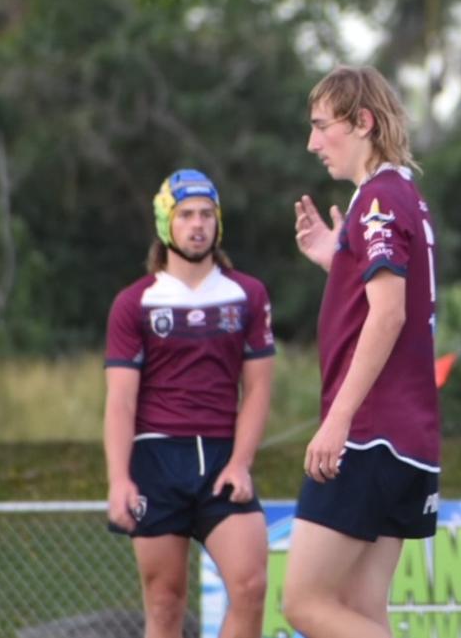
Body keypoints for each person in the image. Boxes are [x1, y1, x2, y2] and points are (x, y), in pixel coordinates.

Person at [284, 65, 440, 638]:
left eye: (322, 126)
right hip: (408, 436)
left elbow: (389, 314)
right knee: (361, 612)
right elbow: (387, 295)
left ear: (363, 122)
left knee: (305, 605)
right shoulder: (400, 198)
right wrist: (339, 258)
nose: (312, 142)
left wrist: (339, 420)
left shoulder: (376, 202)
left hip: (369, 435)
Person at [103, 169, 275, 638]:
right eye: (185, 216)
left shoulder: (248, 295)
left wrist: (241, 462)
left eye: (206, 215)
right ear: (166, 224)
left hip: (222, 456)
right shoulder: (133, 302)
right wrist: (119, 479)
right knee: (164, 603)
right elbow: (120, 401)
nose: (197, 225)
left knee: (251, 585)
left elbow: (258, 389)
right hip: (156, 460)